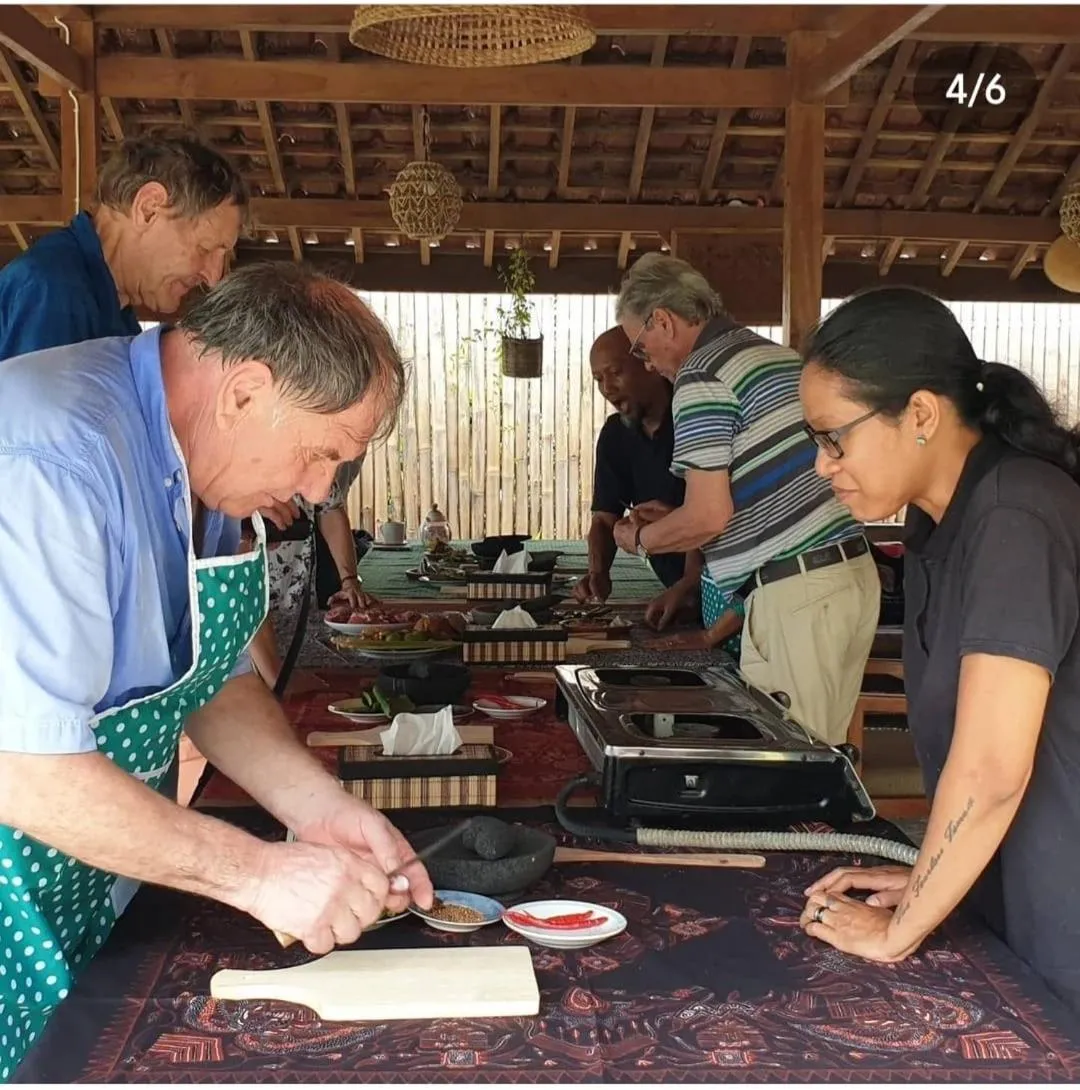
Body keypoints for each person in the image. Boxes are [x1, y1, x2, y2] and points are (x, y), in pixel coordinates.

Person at [0, 261, 432, 1077]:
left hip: (81, 884)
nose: (317, 491)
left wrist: (317, 808)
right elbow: (23, 769)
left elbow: (214, 681)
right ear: (243, 392)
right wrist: (259, 874)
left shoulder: (197, 462)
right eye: (320, 454)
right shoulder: (48, 461)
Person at [797, 286, 1080, 1016]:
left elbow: (991, 768)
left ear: (920, 414)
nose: (824, 465)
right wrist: (926, 880)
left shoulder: (1015, 515)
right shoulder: (942, 521)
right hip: (1013, 890)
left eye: (834, 438)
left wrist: (899, 931)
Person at [613, 254, 879, 744]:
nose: (646, 362)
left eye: (640, 346)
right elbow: (768, 489)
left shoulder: (701, 376)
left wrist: (640, 539)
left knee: (790, 757)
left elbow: (709, 517)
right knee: (820, 750)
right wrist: (679, 518)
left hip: (799, 595)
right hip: (843, 578)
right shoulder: (774, 355)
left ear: (663, 321)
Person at [0, 131, 246, 359]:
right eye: (204, 248)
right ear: (148, 208)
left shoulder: (115, 313)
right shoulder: (53, 288)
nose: (213, 278)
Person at [573, 327, 703, 630]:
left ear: (649, 363)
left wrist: (689, 586)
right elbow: (604, 519)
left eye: (615, 372)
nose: (607, 388)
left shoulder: (696, 420)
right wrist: (598, 573)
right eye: (598, 379)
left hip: (722, 588)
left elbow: (709, 520)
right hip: (672, 588)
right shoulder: (615, 435)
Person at [248, 459, 372, 692]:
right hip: (242, 625)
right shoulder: (232, 469)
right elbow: (238, 589)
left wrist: (349, 579)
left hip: (296, 602)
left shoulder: (312, 455)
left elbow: (330, 507)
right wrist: (278, 678)